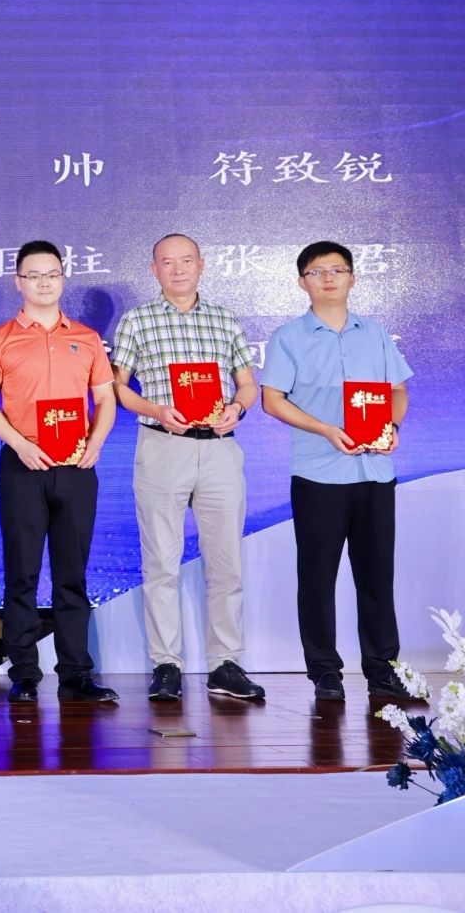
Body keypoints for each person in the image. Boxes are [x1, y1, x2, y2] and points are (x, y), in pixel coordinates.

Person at [260, 241, 417, 704]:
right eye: (317, 271)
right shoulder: (288, 337)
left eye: (337, 269)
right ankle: (324, 671)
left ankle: (383, 670)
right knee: (317, 578)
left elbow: (397, 391)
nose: (328, 278)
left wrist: (391, 427)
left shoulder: (375, 333)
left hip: (374, 472)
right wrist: (325, 429)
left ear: (352, 278)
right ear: (301, 282)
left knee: (376, 577)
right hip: (319, 475)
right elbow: (272, 400)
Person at [110, 234, 264, 703]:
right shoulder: (137, 320)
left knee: (226, 563)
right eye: (167, 262)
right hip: (163, 445)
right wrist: (156, 410)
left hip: (219, 449)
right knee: (162, 561)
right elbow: (119, 387)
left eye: (186, 260)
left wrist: (237, 408)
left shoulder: (224, 318)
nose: (177, 269)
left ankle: (226, 663)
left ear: (201, 264)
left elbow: (247, 384)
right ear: (153, 269)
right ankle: (166, 664)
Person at [0, 239, 119, 704]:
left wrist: (95, 443)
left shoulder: (87, 338)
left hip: (77, 464)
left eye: (52, 274)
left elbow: (105, 398)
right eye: (33, 276)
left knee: (72, 572)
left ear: (62, 278)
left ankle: (76, 672)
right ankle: (24, 672)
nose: (43, 283)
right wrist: (19, 444)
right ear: (19, 282)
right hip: (23, 465)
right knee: (22, 572)